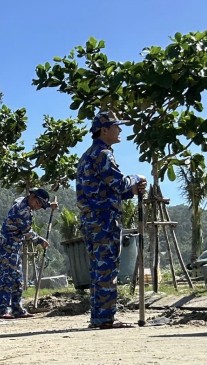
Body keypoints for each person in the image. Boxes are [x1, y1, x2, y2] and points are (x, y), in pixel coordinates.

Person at [75, 111, 146, 330]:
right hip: (104, 220)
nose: (120, 129)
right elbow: (119, 183)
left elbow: (106, 190)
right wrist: (136, 178)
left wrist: (131, 191)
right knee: (106, 269)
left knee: (98, 270)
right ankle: (105, 319)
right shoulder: (103, 154)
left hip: (92, 220)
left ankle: (98, 317)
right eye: (116, 126)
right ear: (104, 130)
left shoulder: (87, 156)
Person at [0, 188, 56, 319]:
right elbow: (27, 232)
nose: (38, 207)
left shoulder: (23, 201)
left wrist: (49, 205)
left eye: (41, 205)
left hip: (14, 247)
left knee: (17, 279)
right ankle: (1, 310)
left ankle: (17, 309)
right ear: (32, 196)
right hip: (7, 247)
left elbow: (32, 203)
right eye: (38, 203)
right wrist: (40, 240)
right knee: (7, 278)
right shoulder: (22, 210)